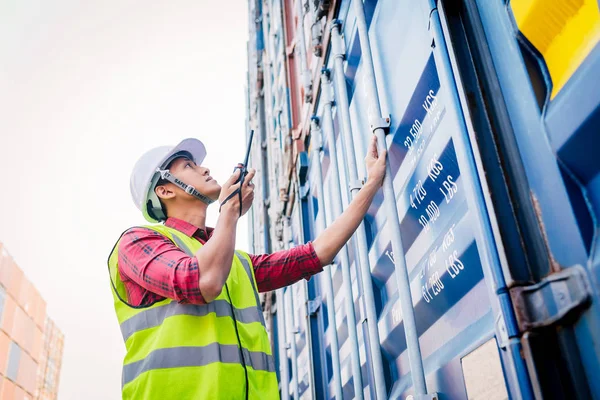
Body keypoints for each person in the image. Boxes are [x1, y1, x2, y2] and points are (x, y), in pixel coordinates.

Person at [108, 135, 386, 399]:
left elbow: (318, 253)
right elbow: (202, 281)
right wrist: (230, 211)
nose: (204, 169)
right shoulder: (136, 242)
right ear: (165, 190)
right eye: (189, 166)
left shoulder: (236, 262)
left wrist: (371, 184)